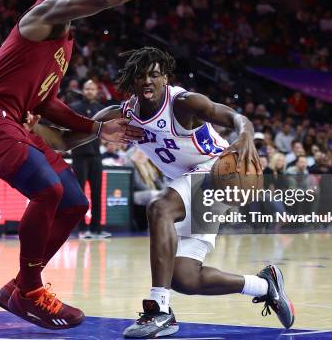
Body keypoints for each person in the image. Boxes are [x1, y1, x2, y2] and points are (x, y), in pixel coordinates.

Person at [0, 0, 213, 331]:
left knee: (74, 202)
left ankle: (18, 288)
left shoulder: (64, 40)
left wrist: (95, 127)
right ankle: (29, 290)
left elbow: (48, 103)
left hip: (14, 119)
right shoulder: (42, 14)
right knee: (48, 190)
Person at [29, 47, 294, 338]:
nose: (148, 80)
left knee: (159, 208)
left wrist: (245, 136)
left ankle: (159, 310)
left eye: (154, 74)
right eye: (141, 75)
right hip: (188, 185)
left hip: (217, 173)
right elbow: (65, 141)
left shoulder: (183, 103)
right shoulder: (121, 114)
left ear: (165, 78)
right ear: (132, 81)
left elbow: (234, 117)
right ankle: (265, 285)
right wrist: (31, 127)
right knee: (184, 277)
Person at [69, 80, 107, 239]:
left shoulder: (101, 110)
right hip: (79, 155)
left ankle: (97, 228)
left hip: (96, 155)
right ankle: (82, 229)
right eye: (87, 88)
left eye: (92, 88)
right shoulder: (75, 108)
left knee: (97, 193)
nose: (89, 91)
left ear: (97, 90)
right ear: (83, 90)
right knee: (80, 194)